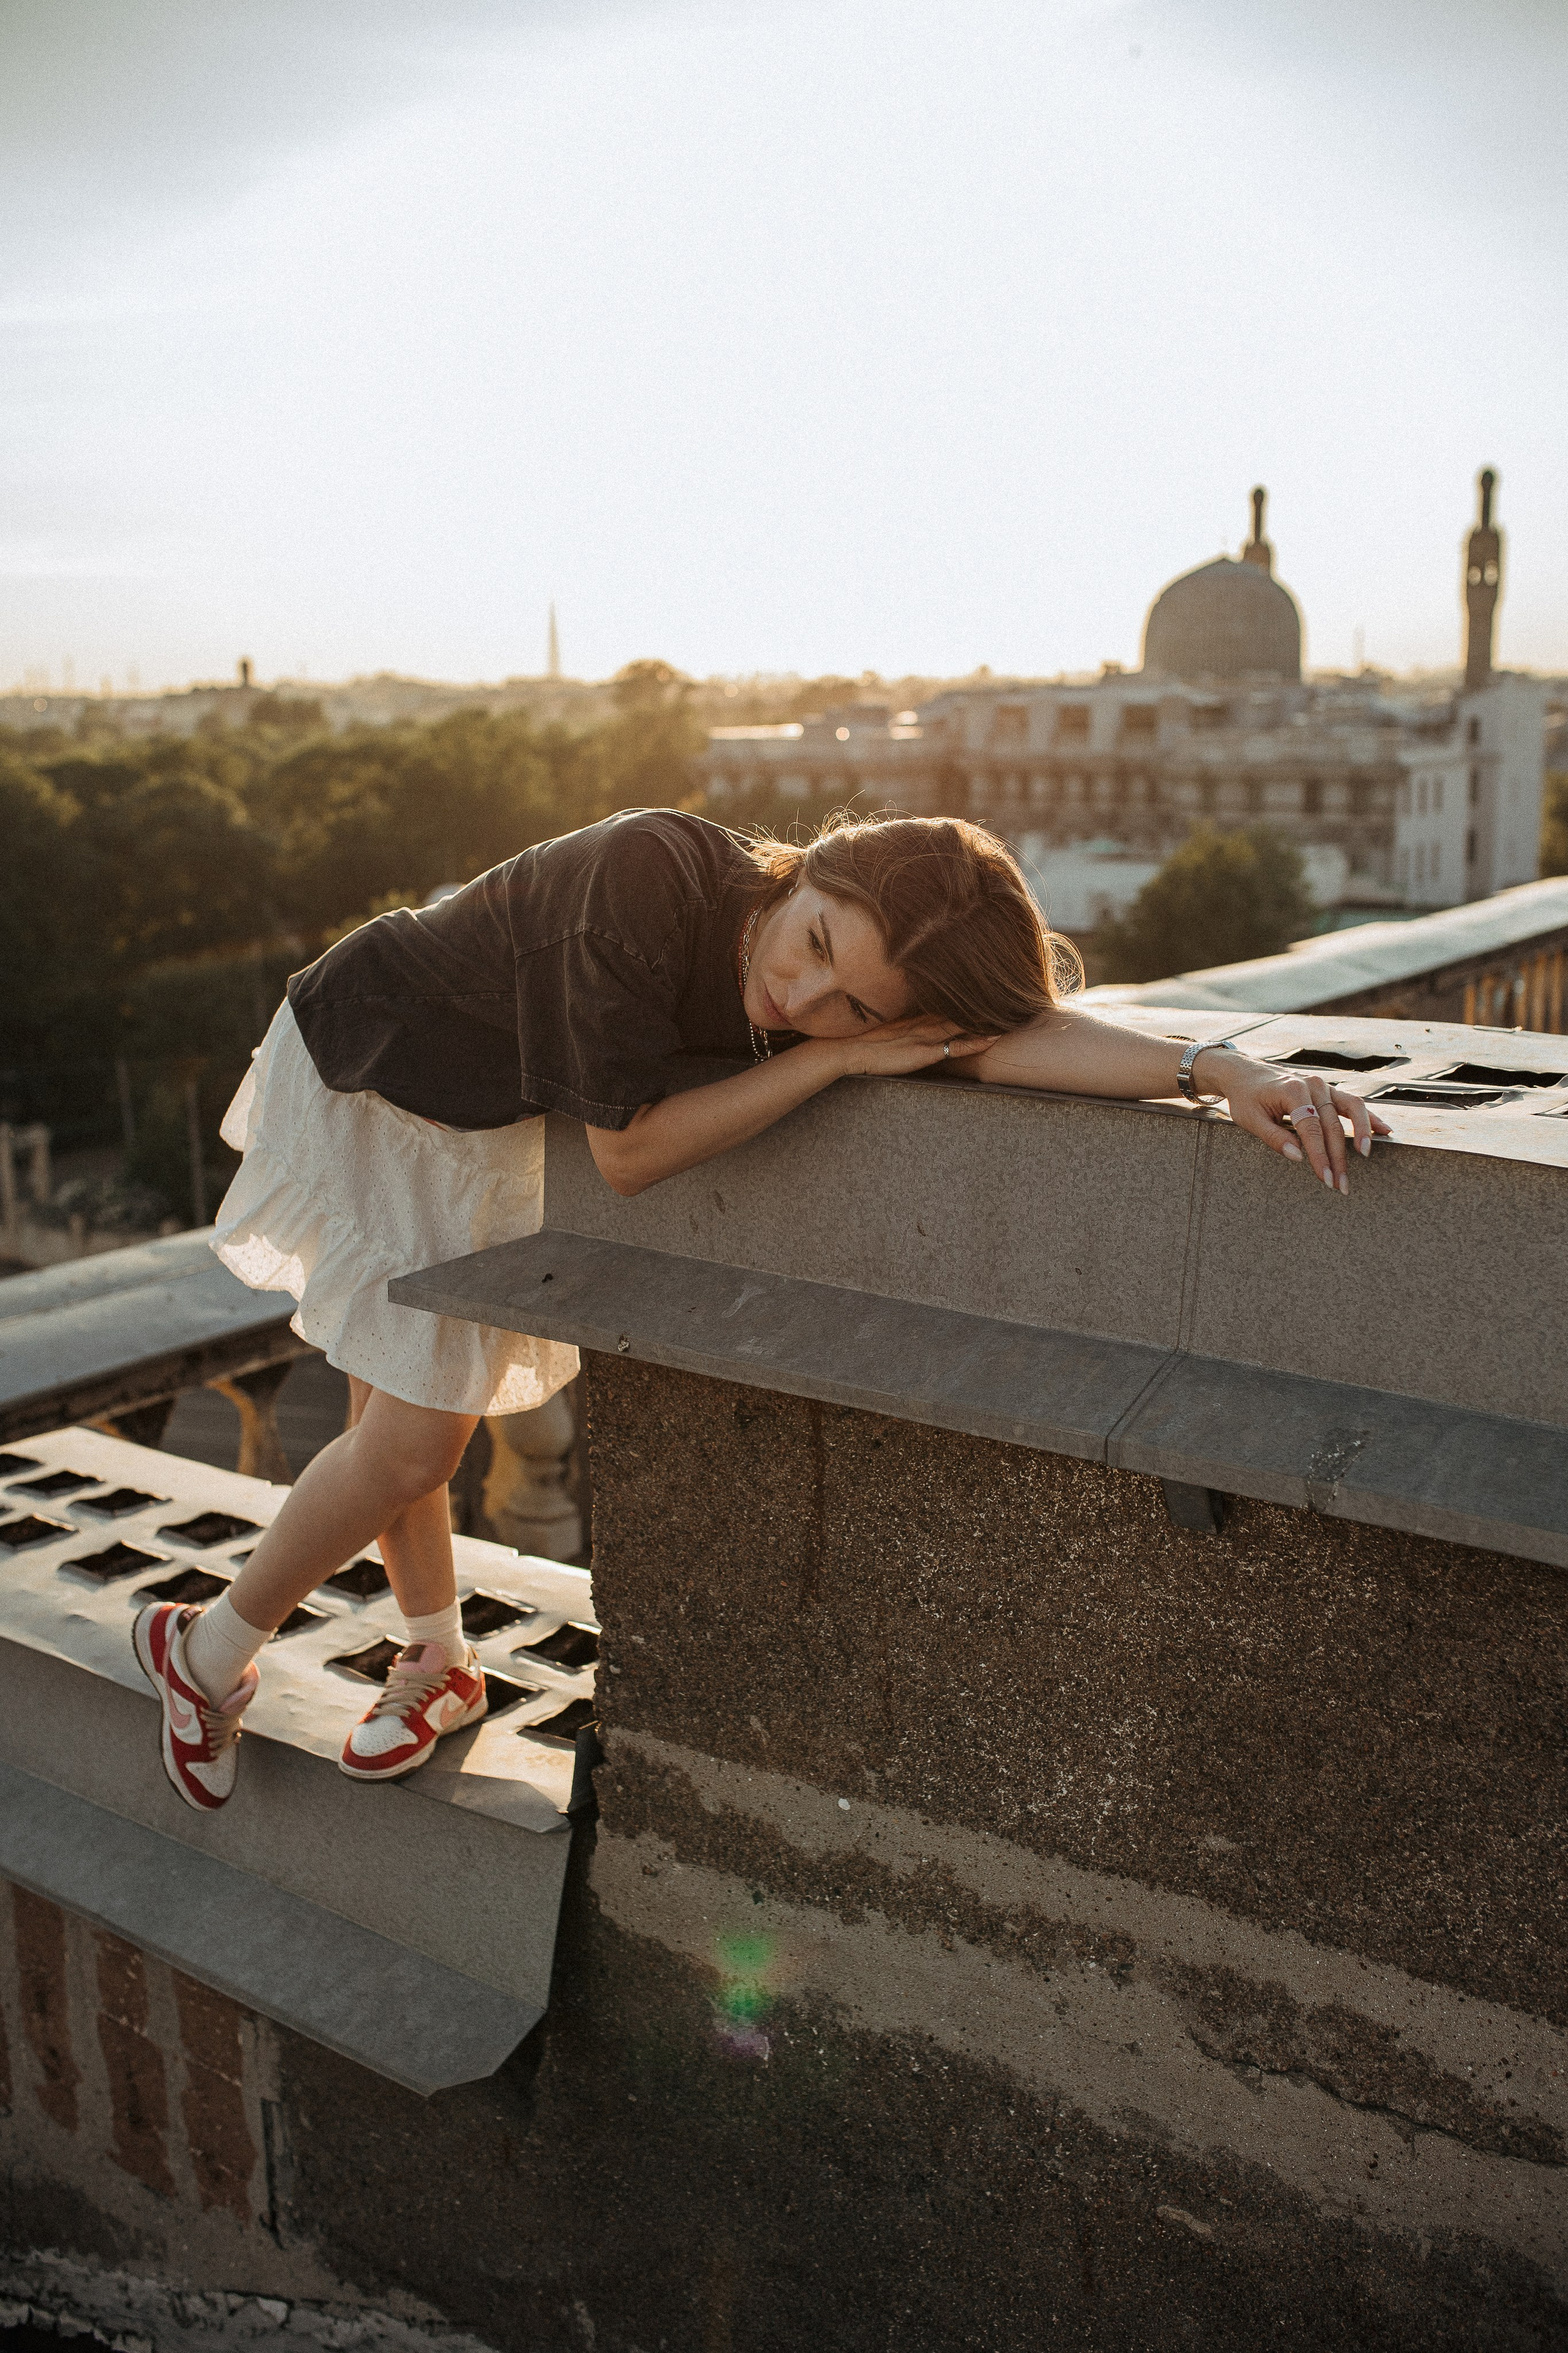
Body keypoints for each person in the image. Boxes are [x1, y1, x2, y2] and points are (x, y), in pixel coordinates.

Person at [132, 807, 1384, 1810]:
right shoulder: (647, 877)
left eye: (855, 1007)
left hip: (482, 1113)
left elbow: (1004, 1040)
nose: (807, 999)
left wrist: (1216, 1072)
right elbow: (626, 1157)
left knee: (398, 1411)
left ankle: (434, 1656)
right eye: (818, 948)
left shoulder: (845, 972)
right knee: (413, 1436)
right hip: (381, 1068)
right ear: (812, 870)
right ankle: (202, 1654)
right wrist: (836, 1060)